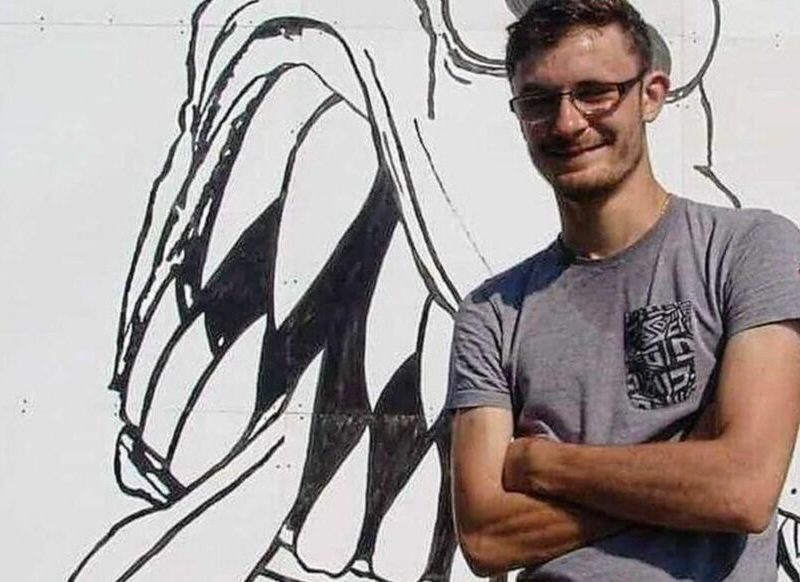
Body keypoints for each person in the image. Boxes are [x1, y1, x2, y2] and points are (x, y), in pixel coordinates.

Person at [447, 0, 800, 580]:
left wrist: (541, 463)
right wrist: (684, 467)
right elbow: (486, 537)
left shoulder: (749, 249)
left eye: (595, 92)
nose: (567, 123)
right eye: (539, 101)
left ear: (651, 95)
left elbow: (742, 489)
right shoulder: (491, 313)